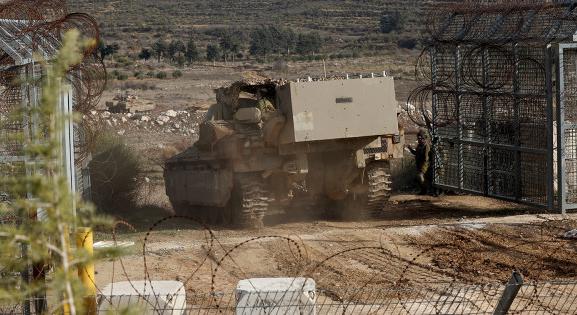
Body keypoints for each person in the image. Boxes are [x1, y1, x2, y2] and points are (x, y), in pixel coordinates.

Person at [408, 129, 433, 195]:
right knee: (418, 178)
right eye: (418, 138)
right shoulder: (419, 146)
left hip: (425, 166)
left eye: (421, 138)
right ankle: (423, 191)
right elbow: (416, 153)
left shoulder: (426, 146)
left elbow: (426, 159)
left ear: (424, 139)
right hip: (420, 165)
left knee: (420, 177)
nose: (419, 139)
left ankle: (426, 190)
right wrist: (410, 149)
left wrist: (423, 169)